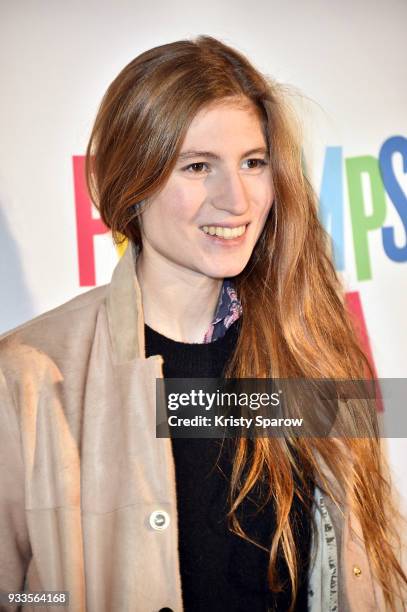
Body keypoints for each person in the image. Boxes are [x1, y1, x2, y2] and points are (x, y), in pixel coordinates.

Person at [0, 34, 406, 612]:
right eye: (198, 166)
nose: (235, 199)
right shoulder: (29, 378)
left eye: (252, 163)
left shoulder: (311, 348)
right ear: (131, 184)